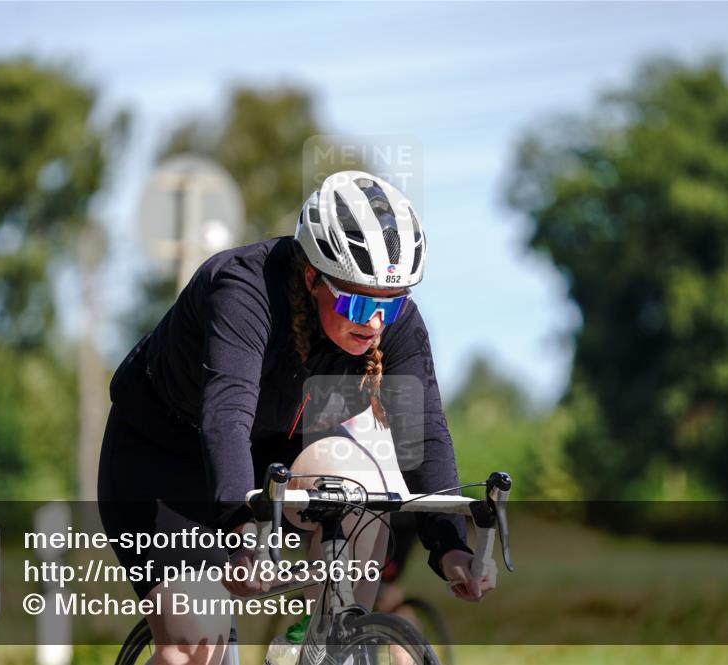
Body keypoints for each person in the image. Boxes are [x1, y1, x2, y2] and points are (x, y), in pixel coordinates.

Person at [98, 170, 494, 665]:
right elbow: (227, 413)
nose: (374, 323)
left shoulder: (393, 323)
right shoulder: (244, 289)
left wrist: (452, 548)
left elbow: (424, 434)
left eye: (390, 308)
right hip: (166, 464)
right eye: (356, 302)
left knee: (360, 481)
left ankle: (321, 644)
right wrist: (243, 529)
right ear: (312, 277)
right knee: (199, 642)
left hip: (275, 462)